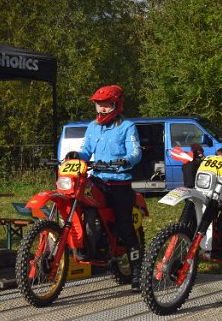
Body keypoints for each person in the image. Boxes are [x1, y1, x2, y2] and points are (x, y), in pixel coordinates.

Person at [76, 85, 143, 292]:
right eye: (99, 105)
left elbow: (136, 152)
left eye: (107, 105)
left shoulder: (127, 127)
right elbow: (86, 150)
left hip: (119, 183)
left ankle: (137, 272)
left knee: (125, 226)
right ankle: (88, 247)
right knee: (81, 206)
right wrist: (75, 156)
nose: (102, 109)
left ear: (116, 105)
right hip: (97, 181)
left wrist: (126, 160)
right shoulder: (92, 127)